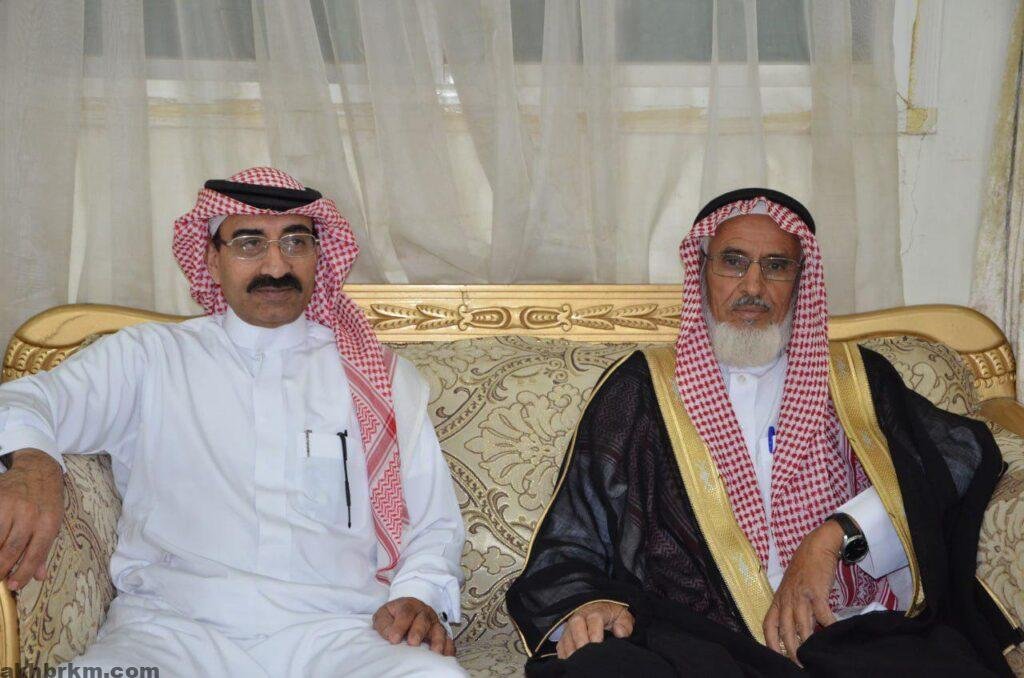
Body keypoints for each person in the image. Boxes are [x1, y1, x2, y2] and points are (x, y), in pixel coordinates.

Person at [507, 188, 1018, 677]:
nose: (753, 286)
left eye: (776, 266)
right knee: (601, 666)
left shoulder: (854, 377)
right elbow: (576, 532)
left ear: (800, 279)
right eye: (733, 262)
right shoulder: (641, 386)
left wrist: (835, 535)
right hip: (695, 636)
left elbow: (959, 454)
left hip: (842, 628)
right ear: (702, 270)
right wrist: (589, 603)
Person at [0, 167, 467, 677]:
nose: (276, 265)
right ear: (211, 259)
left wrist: (417, 593)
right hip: (171, 630)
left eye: (296, 242)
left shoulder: (380, 379)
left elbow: (433, 520)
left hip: (338, 631)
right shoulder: (149, 358)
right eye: (249, 243)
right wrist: (33, 464)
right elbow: (24, 400)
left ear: (319, 255)